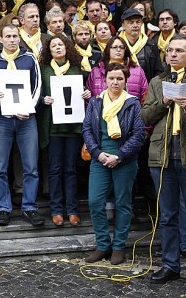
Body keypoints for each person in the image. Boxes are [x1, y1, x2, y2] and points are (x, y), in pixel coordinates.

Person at [141, 35, 186, 290]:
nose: (173, 54)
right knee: (167, 215)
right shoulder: (157, 82)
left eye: (179, 50)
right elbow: (145, 114)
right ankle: (170, 266)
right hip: (163, 155)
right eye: (170, 50)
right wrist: (163, 103)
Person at [82, 62, 145, 265]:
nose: (115, 82)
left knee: (122, 203)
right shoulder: (95, 102)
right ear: (105, 80)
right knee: (94, 201)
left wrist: (119, 156)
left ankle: (118, 246)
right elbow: (87, 131)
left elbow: (138, 135)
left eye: (119, 78)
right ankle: (102, 245)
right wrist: (99, 154)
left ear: (125, 80)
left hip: (124, 161)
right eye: (111, 78)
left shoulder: (132, 103)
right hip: (99, 159)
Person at [0, 24, 43, 227]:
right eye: (8, 36)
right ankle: (3, 208)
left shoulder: (29, 58)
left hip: (26, 119)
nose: (12, 40)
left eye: (15, 36)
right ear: (0, 39)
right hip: (2, 119)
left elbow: (38, 87)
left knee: (31, 166)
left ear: (20, 38)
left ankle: (30, 207)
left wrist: (28, 107)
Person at [39, 36, 91, 226]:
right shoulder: (44, 70)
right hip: (52, 126)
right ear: (48, 50)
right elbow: (37, 93)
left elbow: (86, 91)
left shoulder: (77, 69)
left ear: (67, 47)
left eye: (60, 44)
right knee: (54, 169)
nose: (58, 47)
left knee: (70, 169)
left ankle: (73, 210)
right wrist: (43, 100)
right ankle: (56, 210)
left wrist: (86, 94)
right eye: (53, 45)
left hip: (72, 127)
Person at [86, 36, 149, 100]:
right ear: (108, 49)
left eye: (121, 47)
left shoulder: (137, 71)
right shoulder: (96, 71)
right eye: (115, 47)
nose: (118, 50)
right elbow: (88, 97)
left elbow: (146, 97)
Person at [118, 8, 164, 81]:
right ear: (123, 25)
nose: (135, 25)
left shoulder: (150, 44)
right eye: (131, 22)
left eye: (138, 22)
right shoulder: (116, 44)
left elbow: (158, 70)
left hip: (145, 88)